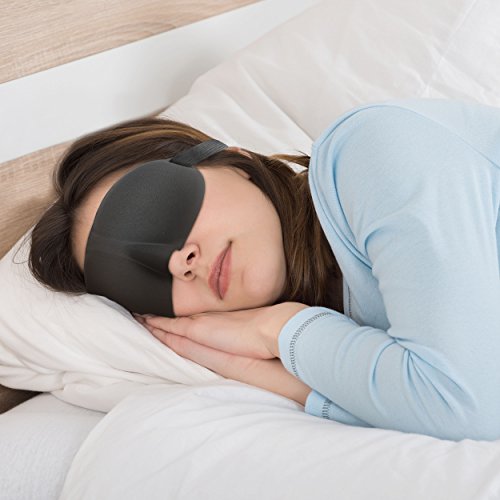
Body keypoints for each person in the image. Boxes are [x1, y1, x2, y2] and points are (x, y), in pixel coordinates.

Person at [27, 99, 500, 441]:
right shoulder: (344, 316)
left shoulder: (372, 149)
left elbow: (469, 409)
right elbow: (447, 411)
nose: (175, 261)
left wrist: (279, 330)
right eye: (136, 279)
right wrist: (277, 375)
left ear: (234, 161)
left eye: (153, 210)